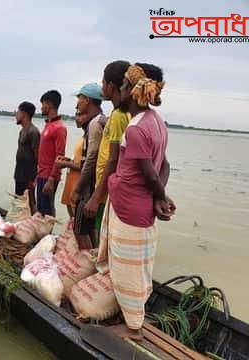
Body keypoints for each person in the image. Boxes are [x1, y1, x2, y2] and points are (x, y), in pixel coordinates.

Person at [96, 63, 175, 341]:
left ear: (131, 90)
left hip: (130, 209)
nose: (120, 90)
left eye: (124, 86)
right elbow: (165, 166)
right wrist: (158, 198)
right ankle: (132, 317)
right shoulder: (157, 122)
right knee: (137, 264)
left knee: (128, 270)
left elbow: (152, 173)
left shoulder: (136, 129)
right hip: (138, 207)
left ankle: (133, 328)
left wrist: (160, 196)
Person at [83, 61, 131, 239]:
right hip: (108, 190)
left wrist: (96, 197)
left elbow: (113, 159)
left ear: (111, 86)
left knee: (106, 238)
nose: (102, 86)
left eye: (103, 82)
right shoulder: (117, 115)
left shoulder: (119, 116)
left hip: (107, 192)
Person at [64, 84, 106, 249]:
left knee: (80, 230)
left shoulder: (95, 123)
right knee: (90, 229)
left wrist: (78, 188)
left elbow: (92, 158)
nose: (78, 103)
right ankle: (95, 261)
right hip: (98, 188)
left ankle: (88, 264)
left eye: (79, 99)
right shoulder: (103, 120)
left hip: (89, 188)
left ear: (87, 100)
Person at [37, 90, 67, 216]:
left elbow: (59, 155)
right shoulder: (48, 125)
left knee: (47, 211)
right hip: (41, 173)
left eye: (43, 104)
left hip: (49, 176)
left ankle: (47, 235)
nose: (41, 107)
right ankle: (40, 233)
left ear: (48, 105)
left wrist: (51, 178)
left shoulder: (59, 128)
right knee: (41, 209)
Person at [14, 101, 40, 213]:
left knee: (30, 202)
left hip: (28, 174)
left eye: (18, 112)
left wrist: (34, 178)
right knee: (19, 200)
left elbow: (37, 156)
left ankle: (33, 224)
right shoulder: (22, 131)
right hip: (19, 172)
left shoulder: (33, 132)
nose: (16, 115)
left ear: (24, 114)